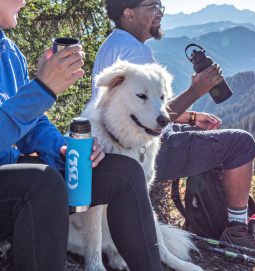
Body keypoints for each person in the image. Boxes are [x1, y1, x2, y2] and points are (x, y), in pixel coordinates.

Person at [91, 0, 255, 261]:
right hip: (148, 151)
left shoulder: (112, 45)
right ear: (129, 12)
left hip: (122, 147)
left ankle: (208, 222)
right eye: (151, 7)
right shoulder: (137, 53)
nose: (159, 13)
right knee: (241, 143)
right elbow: (153, 116)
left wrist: (190, 119)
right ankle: (237, 231)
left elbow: (139, 112)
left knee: (214, 140)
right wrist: (196, 91)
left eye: (160, 6)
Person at [0, 0, 163, 270]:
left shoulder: (9, 52)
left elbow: (31, 126)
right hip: (13, 184)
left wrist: (65, 148)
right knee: (43, 183)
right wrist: (43, 88)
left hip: (10, 172)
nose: (23, 1)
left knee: (124, 171)